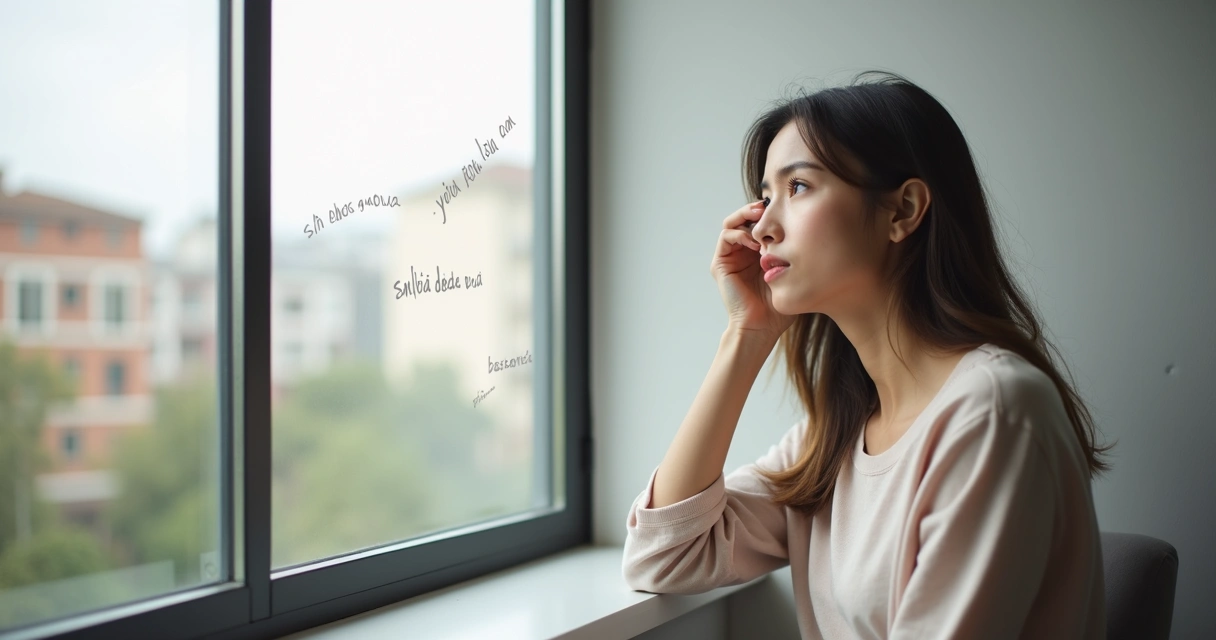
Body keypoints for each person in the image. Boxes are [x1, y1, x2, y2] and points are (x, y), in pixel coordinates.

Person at [621, 70, 1112, 640]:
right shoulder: (834, 436)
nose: (763, 229)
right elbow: (665, 555)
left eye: (798, 187)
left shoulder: (991, 411)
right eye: (764, 197)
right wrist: (745, 333)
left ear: (902, 210)